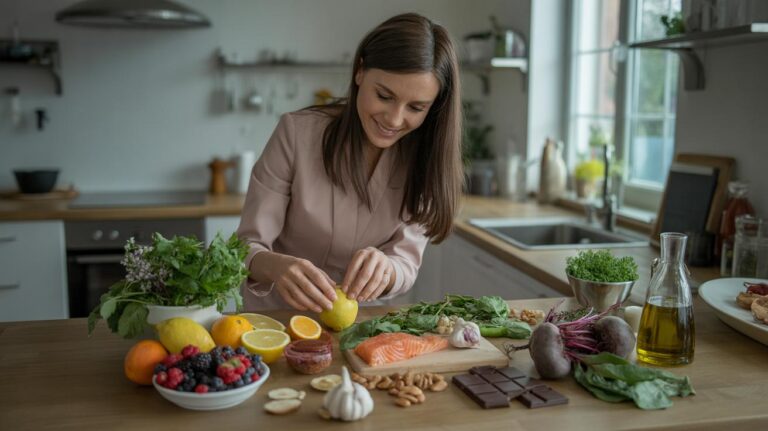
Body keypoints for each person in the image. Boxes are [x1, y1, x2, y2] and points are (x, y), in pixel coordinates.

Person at [237, 12, 463, 312]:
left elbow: (406, 263)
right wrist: (275, 266)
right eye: (384, 96)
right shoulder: (296, 134)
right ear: (360, 72)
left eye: (416, 107)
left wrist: (388, 268)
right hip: (278, 318)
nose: (394, 119)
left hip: (366, 324)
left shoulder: (426, 157)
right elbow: (245, 248)